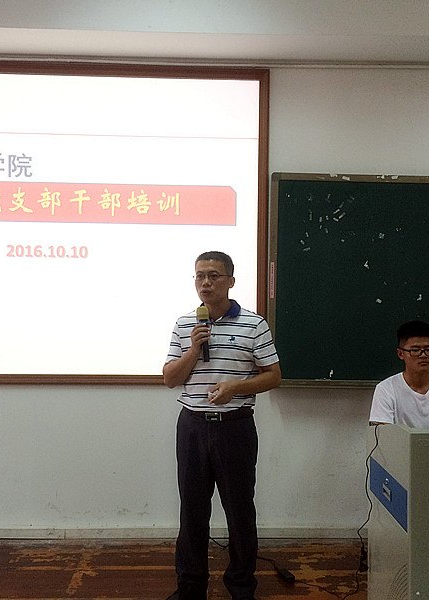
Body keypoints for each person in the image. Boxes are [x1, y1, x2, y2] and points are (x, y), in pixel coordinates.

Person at [163, 251, 282, 600]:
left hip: (235, 428)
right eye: (200, 276)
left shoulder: (254, 324)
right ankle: (190, 587)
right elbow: (170, 378)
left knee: (240, 511)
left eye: (214, 275)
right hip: (192, 428)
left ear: (230, 281)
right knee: (192, 511)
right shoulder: (185, 324)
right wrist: (192, 351)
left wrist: (235, 388)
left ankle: (242, 587)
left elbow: (273, 376)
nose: (205, 283)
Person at [369, 320, 429, 427]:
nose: (423, 355)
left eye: (428, 349)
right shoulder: (386, 389)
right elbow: (382, 434)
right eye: (415, 350)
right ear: (401, 354)